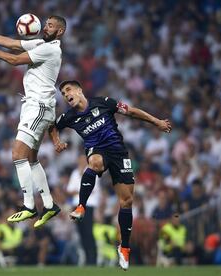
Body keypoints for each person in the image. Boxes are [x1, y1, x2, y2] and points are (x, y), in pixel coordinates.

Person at [49, 80, 172, 270]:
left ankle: (124, 247)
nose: (66, 95)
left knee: (127, 201)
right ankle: (81, 206)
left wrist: (156, 122)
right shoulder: (68, 116)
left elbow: (130, 111)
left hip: (119, 154)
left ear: (79, 90)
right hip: (96, 150)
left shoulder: (104, 102)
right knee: (95, 163)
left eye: (68, 90)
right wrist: (57, 142)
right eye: (63, 94)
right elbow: (53, 126)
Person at [0, 15, 66, 228]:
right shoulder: (39, 43)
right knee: (31, 158)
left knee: (17, 154)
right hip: (35, 106)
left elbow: (14, 60)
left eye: (51, 26)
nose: (46, 27)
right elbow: (10, 43)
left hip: (38, 106)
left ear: (60, 32)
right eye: (46, 24)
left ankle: (29, 206)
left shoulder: (52, 49)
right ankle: (49, 204)